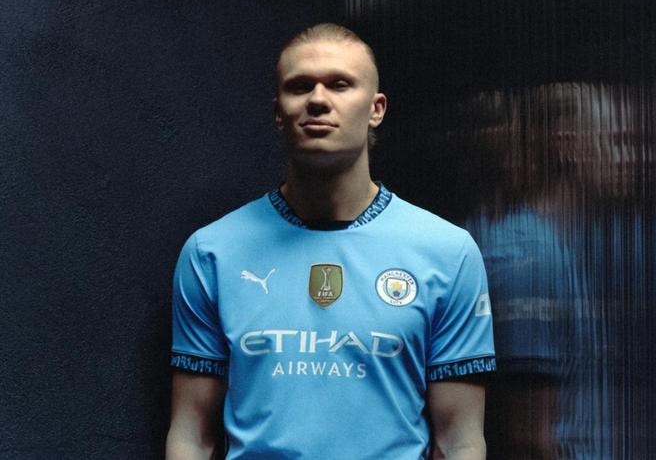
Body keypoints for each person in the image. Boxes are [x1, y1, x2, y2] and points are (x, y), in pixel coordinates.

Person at [165, 23, 496, 459]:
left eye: (340, 84)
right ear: (279, 112)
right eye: (300, 86)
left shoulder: (447, 253)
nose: (318, 100)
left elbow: (459, 441)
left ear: (376, 109)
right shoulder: (212, 253)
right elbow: (192, 435)